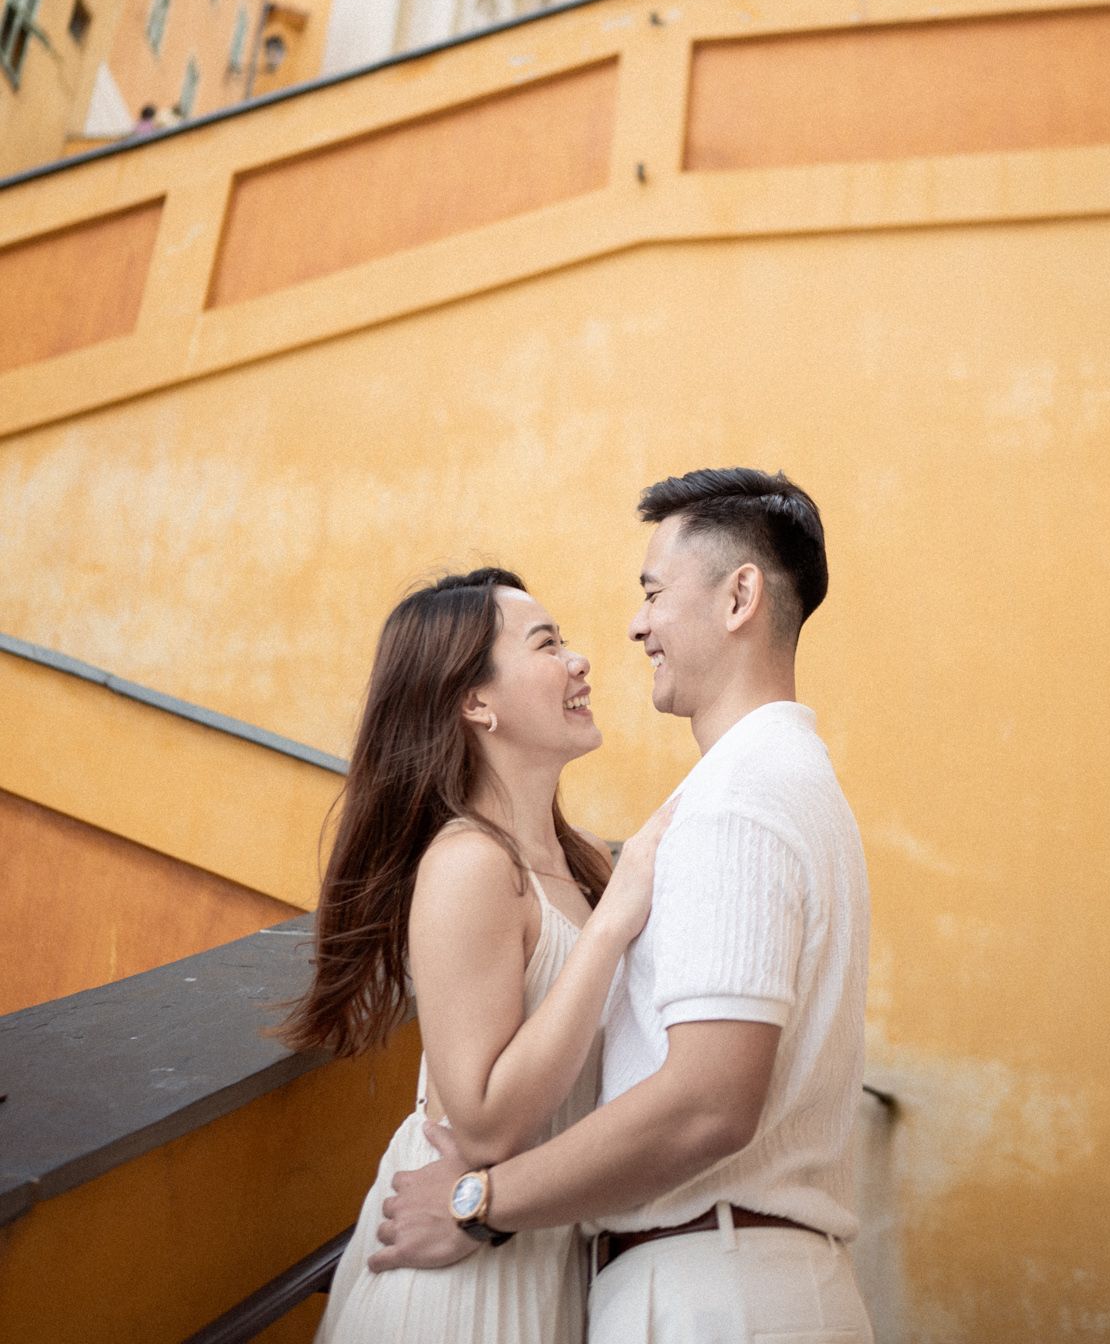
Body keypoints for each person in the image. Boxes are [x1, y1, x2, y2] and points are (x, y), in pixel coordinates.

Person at [372, 468, 874, 1344]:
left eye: (652, 593)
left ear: (738, 598)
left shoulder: (732, 803)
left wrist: (478, 1202)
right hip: (654, 1275)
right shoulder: (770, 785)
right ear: (473, 703)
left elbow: (707, 1101)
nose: (631, 629)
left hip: (707, 1290)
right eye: (546, 644)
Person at [280, 567, 673, 1344]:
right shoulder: (469, 864)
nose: (578, 661)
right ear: (475, 703)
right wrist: (611, 925)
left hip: (531, 1246)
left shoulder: (581, 861)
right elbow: (485, 1122)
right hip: (460, 1285)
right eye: (546, 645)